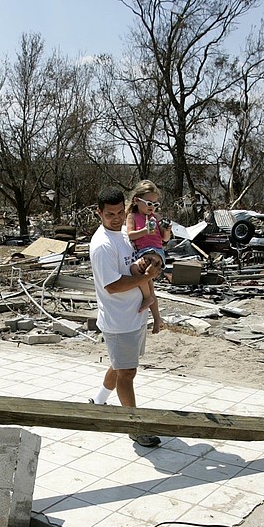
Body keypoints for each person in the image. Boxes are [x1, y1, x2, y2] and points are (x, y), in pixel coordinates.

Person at [88, 185, 163, 447]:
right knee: (127, 373)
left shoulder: (121, 234)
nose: (117, 218)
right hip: (118, 320)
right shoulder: (101, 246)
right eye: (110, 214)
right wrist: (145, 278)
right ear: (99, 213)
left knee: (120, 365)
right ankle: (134, 426)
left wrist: (145, 266)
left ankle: (98, 401)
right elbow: (113, 286)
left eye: (120, 212)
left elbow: (132, 265)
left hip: (133, 315)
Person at [124, 180, 170, 332]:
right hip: (142, 252)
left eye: (155, 204)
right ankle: (157, 318)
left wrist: (167, 229)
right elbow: (131, 235)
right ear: (137, 200)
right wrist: (144, 231)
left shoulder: (155, 217)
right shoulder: (132, 216)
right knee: (148, 282)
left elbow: (165, 239)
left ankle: (146, 298)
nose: (152, 208)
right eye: (149, 203)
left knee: (134, 270)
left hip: (155, 252)